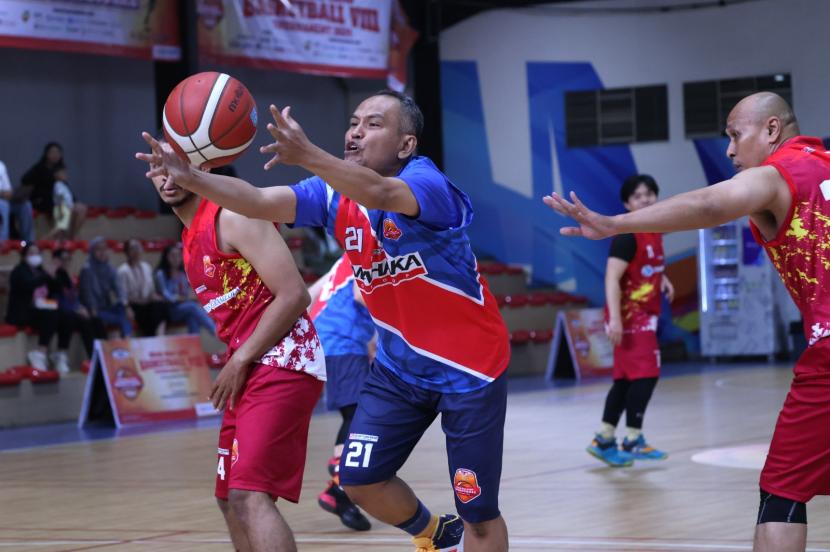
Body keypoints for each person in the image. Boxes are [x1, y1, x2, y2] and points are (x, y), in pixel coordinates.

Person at [137, 90, 511, 552]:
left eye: (373, 124)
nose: (356, 131)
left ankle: (462, 531)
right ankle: (435, 535)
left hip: (469, 369)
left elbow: (379, 192)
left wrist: (309, 155)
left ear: (406, 145)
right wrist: (191, 177)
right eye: (354, 122)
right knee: (357, 480)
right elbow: (255, 200)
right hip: (399, 371)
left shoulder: (428, 183)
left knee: (478, 512)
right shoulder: (332, 195)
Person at [544, 91, 827, 552]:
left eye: (736, 135)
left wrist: (616, 223)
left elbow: (710, 205)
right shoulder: (825, 162)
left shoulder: (778, 174)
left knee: (783, 491)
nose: (730, 150)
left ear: (772, 130)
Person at [149, 140, 326, 552]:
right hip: (247, 365)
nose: (167, 175)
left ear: (199, 168)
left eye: (176, 165)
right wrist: (240, 360)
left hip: (285, 359)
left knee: (249, 495)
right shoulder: (189, 237)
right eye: (158, 167)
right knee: (228, 499)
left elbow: (294, 295)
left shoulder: (234, 215)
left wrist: (241, 358)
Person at [586, 174, 674, 468]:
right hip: (631, 318)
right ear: (626, 203)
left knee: (624, 381)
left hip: (639, 315)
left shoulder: (654, 230)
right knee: (647, 375)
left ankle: (604, 437)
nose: (646, 199)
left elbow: (645, 267)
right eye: (638, 196)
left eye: (650, 193)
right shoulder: (627, 235)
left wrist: (664, 281)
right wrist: (615, 321)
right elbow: (612, 278)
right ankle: (633, 438)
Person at [308, 254, 375, 532]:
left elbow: (310, 294)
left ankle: (340, 479)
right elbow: (363, 296)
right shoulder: (371, 252)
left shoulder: (346, 258)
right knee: (359, 414)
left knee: (357, 414)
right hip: (342, 343)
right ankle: (339, 480)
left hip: (331, 340)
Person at [6, 243, 74, 372]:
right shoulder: (19, 271)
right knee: (51, 314)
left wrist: (56, 275)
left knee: (67, 316)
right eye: (31, 253)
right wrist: (47, 275)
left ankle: (60, 353)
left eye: (37, 253)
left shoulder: (41, 270)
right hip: (23, 312)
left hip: (42, 308)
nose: (35, 256)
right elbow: (29, 285)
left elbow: (57, 288)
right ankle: (39, 353)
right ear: (23, 256)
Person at [21, 142, 86, 238]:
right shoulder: (39, 168)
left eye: (58, 152)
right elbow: (24, 180)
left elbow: (66, 192)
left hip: (60, 202)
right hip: (45, 202)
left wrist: (74, 202)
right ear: (46, 154)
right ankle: (48, 239)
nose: (55, 155)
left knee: (81, 208)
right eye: (52, 152)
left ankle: (71, 237)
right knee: (63, 216)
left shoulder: (60, 173)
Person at [155, 243, 216, 335]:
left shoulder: (183, 273)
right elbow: (166, 295)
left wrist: (189, 298)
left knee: (192, 316)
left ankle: (194, 345)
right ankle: (215, 331)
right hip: (169, 309)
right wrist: (183, 298)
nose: (176, 259)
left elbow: (186, 292)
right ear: (166, 257)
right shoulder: (161, 274)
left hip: (184, 307)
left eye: (178, 256)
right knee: (192, 307)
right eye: (172, 256)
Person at [79, 237, 133, 338]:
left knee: (123, 309)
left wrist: (126, 306)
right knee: (122, 318)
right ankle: (127, 339)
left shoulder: (110, 268)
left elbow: (119, 289)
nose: (102, 252)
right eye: (98, 249)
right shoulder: (87, 269)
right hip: (93, 310)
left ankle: (127, 338)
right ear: (92, 251)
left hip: (106, 307)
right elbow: (87, 293)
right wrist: (92, 308)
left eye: (104, 249)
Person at [117, 238, 169, 336]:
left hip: (147, 302)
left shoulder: (146, 267)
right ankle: (152, 338)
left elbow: (151, 290)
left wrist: (155, 297)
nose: (136, 250)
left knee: (161, 306)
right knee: (146, 315)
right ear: (126, 252)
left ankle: (159, 336)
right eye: (133, 248)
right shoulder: (122, 271)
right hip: (133, 305)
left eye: (138, 247)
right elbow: (123, 295)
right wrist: (128, 307)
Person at [0, 159, 34, 242]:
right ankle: (3, 243)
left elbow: (8, 191)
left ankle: (28, 243)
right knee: (3, 205)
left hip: (4, 199)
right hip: (2, 202)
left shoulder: (1, 165)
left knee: (26, 205)